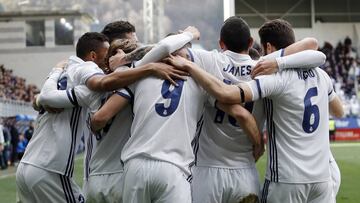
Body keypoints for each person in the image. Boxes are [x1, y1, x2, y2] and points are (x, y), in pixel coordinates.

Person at [167, 19, 344, 203]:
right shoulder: (262, 67)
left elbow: (174, 52)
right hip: (249, 171)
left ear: (221, 43)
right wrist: (258, 142)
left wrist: (187, 35)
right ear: (251, 43)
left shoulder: (211, 60)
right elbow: (313, 47)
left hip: (208, 169)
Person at [31, 28, 200, 203]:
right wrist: (187, 35)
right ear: (116, 52)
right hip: (122, 175)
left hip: (94, 176)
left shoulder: (91, 83)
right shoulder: (136, 75)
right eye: (132, 42)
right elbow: (99, 118)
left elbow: (59, 101)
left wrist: (39, 100)